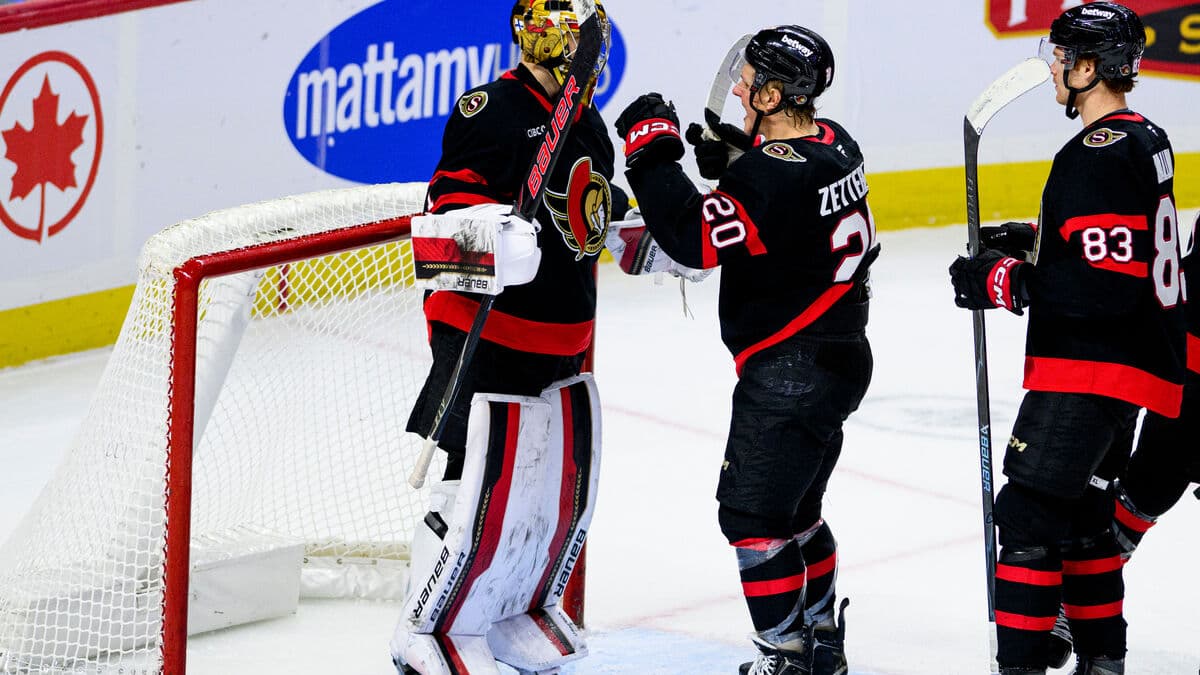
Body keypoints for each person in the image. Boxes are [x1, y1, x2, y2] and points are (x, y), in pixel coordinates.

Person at [615, 25, 878, 675]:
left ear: (774, 92)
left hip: (791, 368)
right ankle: (821, 640)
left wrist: (652, 155)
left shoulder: (766, 178)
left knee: (752, 515)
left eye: (750, 79)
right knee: (798, 511)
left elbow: (692, 239)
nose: (738, 85)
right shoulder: (836, 144)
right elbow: (784, 191)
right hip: (840, 357)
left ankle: (784, 653)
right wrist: (735, 158)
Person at [948, 4, 1186, 674]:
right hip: (1133, 371)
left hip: (1087, 371)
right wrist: (1034, 241)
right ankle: (1102, 663)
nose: (1053, 66)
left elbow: (1101, 287)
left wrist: (1004, 280)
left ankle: (1020, 666)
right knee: (1084, 518)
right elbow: (1120, 245)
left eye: (1063, 57)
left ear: (1089, 68)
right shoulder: (1146, 137)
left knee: (1026, 513)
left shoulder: (1094, 152)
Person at [391, 2, 623, 673]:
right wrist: (491, 229)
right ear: (549, 39)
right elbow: (445, 210)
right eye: (585, 43)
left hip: (558, 338)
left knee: (535, 489)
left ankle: (501, 614)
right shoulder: (486, 107)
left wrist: (632, 230)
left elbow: (587, 214)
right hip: (484, 336)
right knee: (472, 479)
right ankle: (422, 622)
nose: (594, 57)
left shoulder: (587, 122)